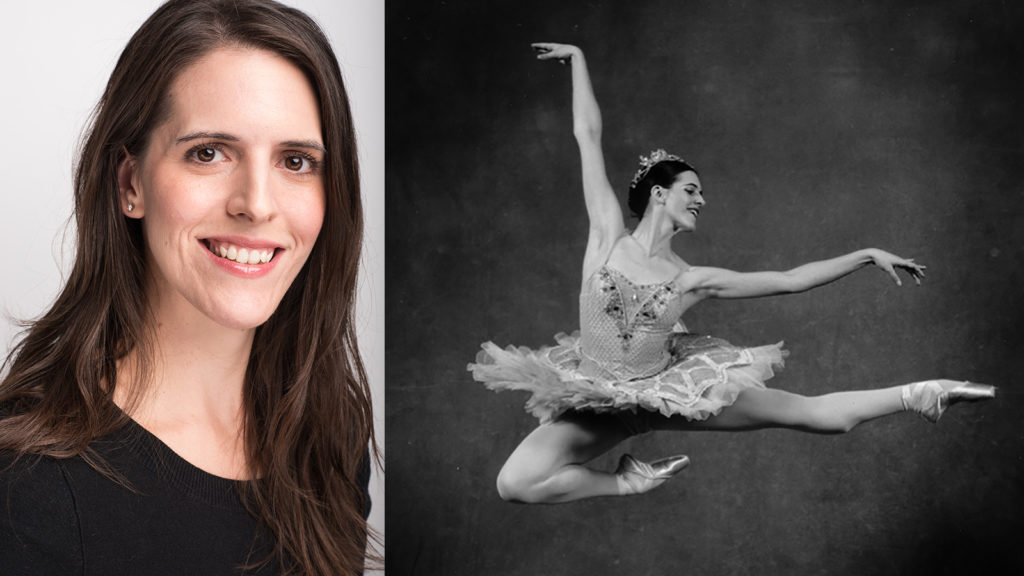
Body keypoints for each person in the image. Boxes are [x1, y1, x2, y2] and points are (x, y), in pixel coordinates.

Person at [468, 42, 995, 505]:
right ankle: (630, 481)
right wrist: (579, 61)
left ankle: (924, 391)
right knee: (515, 484)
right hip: (597, 398)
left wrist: (865, 253)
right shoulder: (607, 235)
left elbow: (791, 279)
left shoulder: (690, 278)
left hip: (670, 396)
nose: (702, 200)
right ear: (659, 193)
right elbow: (588, 135)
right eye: (691, 190)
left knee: (813, 416)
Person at [0, 1, 377, 574]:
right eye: (208, 153)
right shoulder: (25, 487)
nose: (256, 203)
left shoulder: (330, 439)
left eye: (296, 161)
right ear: (131, 184)